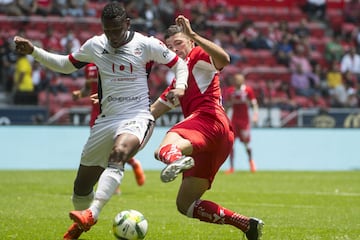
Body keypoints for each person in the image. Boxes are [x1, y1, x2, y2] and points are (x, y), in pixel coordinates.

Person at [13, 2, 189, 240]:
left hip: (137, 116)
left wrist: (180, 86)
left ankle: (92, 214)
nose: (113, 36)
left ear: (127, 24)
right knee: (82, 186)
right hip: (106, 120)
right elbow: (65, 65)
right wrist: (34, 50)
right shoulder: (96, 45)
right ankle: (80, 223)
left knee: (118, 154)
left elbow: (179, 64)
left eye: (117, 30)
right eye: (108, 31)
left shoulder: (145, 44)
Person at [150, 15, 264, 240]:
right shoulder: (176, 85)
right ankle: (245, 225)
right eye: (170, 48)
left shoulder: (197, 56)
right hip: (219, 138)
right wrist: (117, 105)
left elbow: (224, 59)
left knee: (163, 149)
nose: (176, 50)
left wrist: (193, 34)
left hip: (209, 120)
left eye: (179, 43)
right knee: (185, 204)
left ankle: (175, 158)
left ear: (190, 44)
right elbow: (151, 113)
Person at [72, 63, 146, 192]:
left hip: (115, 111)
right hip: (96, 114)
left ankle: (113, 185)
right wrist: (80, 94)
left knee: (114, 148)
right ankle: (133, 163)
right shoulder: (89, 67)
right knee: (103, 149)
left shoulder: (115, 62)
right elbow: (89, 88)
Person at [223, 73, 258, 174]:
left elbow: (254, 104)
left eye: (239, 80)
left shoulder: (247, 90)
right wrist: (224, 117)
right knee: (231, 144)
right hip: (234, 120)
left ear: (243, 81)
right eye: (236, 80)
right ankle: (232, 167)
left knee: (246, 144)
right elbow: (228, 105)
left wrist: (255, 115)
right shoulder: (230, 91)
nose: (237, 82)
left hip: (244, 121)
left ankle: (251, 162)